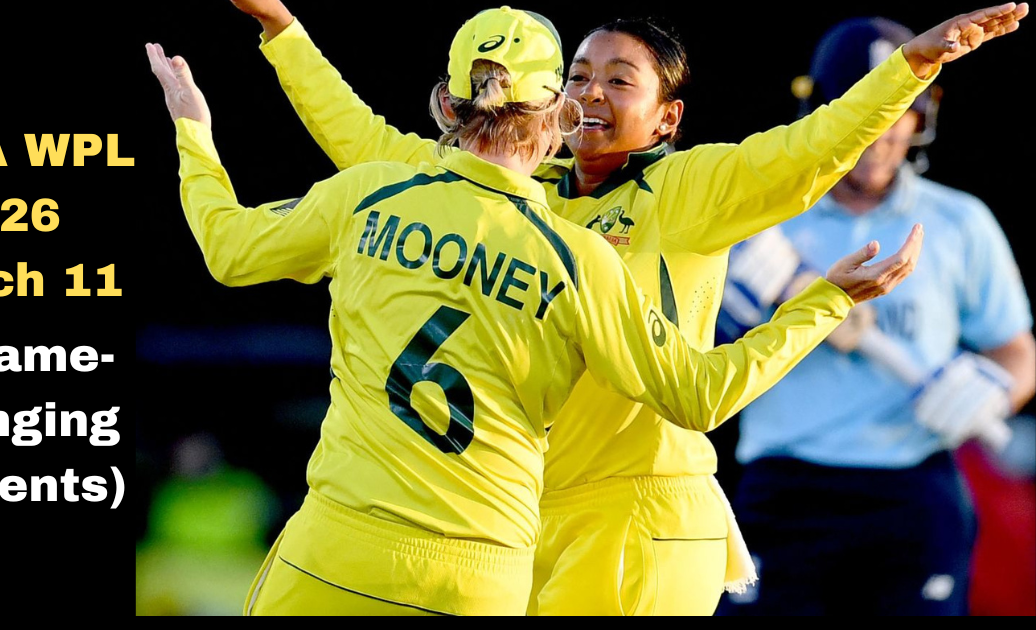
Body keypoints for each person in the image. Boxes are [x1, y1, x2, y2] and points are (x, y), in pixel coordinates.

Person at [225, 0, 1026, 615]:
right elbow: (372, 149)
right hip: (530, 515)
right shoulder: (513, 194)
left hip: (643, 512)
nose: (591, 91)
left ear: (667, 118)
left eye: (620, 79)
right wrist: (282, 30)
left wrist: (913, 66)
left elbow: (812, 148)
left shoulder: (690, 190)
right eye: (577, 75)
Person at [715, 16, 1035, 616]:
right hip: (785, 488)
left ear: (922, 115)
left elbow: (1015, 351)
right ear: (823, 114)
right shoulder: (760, 218)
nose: (883, 130)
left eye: (901, 107)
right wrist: (725, 318)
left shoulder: (959, 221)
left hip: (911, 485)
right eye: (865, 105)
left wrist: (997, 393)